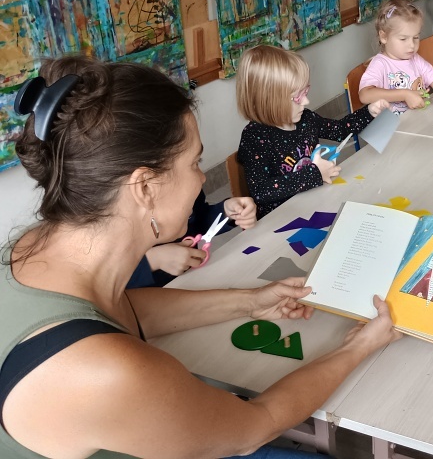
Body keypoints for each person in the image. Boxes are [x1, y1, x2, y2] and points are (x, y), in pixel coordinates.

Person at [1, 56, 400, 458]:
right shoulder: (107, 372)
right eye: (194, 162)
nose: (201, 178)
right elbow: (254, 427)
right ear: (145, 187)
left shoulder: (32, 248)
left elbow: (128, 311)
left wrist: (250, 301)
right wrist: (357, 347)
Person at [236, 45, 390, 218]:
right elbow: (262, 191)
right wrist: (315, 173)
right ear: (268, 100)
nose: (306, 101)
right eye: (297, 97)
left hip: (315, 202)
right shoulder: (255, 137)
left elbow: (340, 130)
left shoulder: (305, 118)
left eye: (305, 92)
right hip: (282, 219)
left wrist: (369, 112)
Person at [127, 190, 257, 288]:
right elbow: (114, 283)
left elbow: (198, 221)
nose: (203, 178)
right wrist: (152, 260)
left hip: (192, 283)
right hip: (147, 304)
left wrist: (225, 211)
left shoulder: (189, 185)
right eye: (193, 165)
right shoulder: (122, 213)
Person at [359, 0, 433, 114]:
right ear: (384, 37)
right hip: (397, 123)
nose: (412, 45)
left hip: (421, 119)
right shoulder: (380, 64)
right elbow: (364, 95)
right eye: (403, 39)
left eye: (416, 37)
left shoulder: (416, 59)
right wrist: (404, 94)